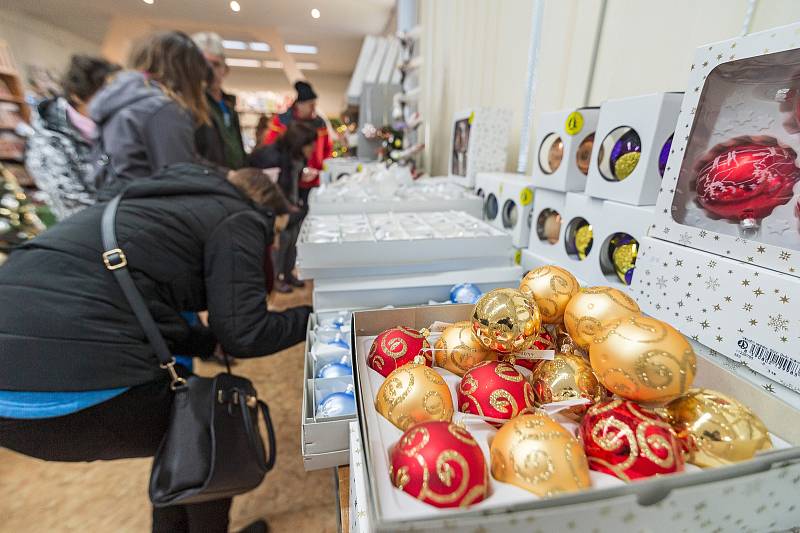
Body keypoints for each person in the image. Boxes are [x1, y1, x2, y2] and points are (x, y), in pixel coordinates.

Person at [0, 162, 310, 533]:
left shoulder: (153, 200)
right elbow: (245, 333)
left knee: (179, 434)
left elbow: (149, 307)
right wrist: (316, 314)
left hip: (18, 382)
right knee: (209, 426)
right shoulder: (240, 218)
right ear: (267, 212)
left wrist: (207, 341)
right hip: (56, 384)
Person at [90, 31, 209, 198]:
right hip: (147, 208)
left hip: (116, 205)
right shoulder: (163, 109)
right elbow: (179, 179)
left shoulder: (119, 98)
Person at [25, 55, 119, 220]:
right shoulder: (48, 140)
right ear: (77, 96)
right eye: (104, 96)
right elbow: (74, 206)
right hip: (92, 233)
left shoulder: (112, 126)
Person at [249, 121, 317, 293]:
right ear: (300, 143)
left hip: (290, 204)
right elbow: (269, 188)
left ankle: (287, 273)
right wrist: (284, 208)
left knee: (293, 239)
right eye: (310, 145)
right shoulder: (272, 157)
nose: (313, 149)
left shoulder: (296, 156)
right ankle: (276, 277)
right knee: (280, 242)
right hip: (276, 208)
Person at [262, 80, 332, 203]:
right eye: (311, 105)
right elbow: (270, 146)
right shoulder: (282, 121)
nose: (314, 109)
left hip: (313, 179)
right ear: (300, 104)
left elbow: (327, 149)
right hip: (287, 179)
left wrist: (320, 170)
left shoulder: (320, 123)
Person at [192, 32, 246, 170]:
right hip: (209, 184)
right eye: (205, 64)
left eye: (215, 64)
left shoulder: (228, 104)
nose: (210, 71)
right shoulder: (193, 105)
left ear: (225, 69)